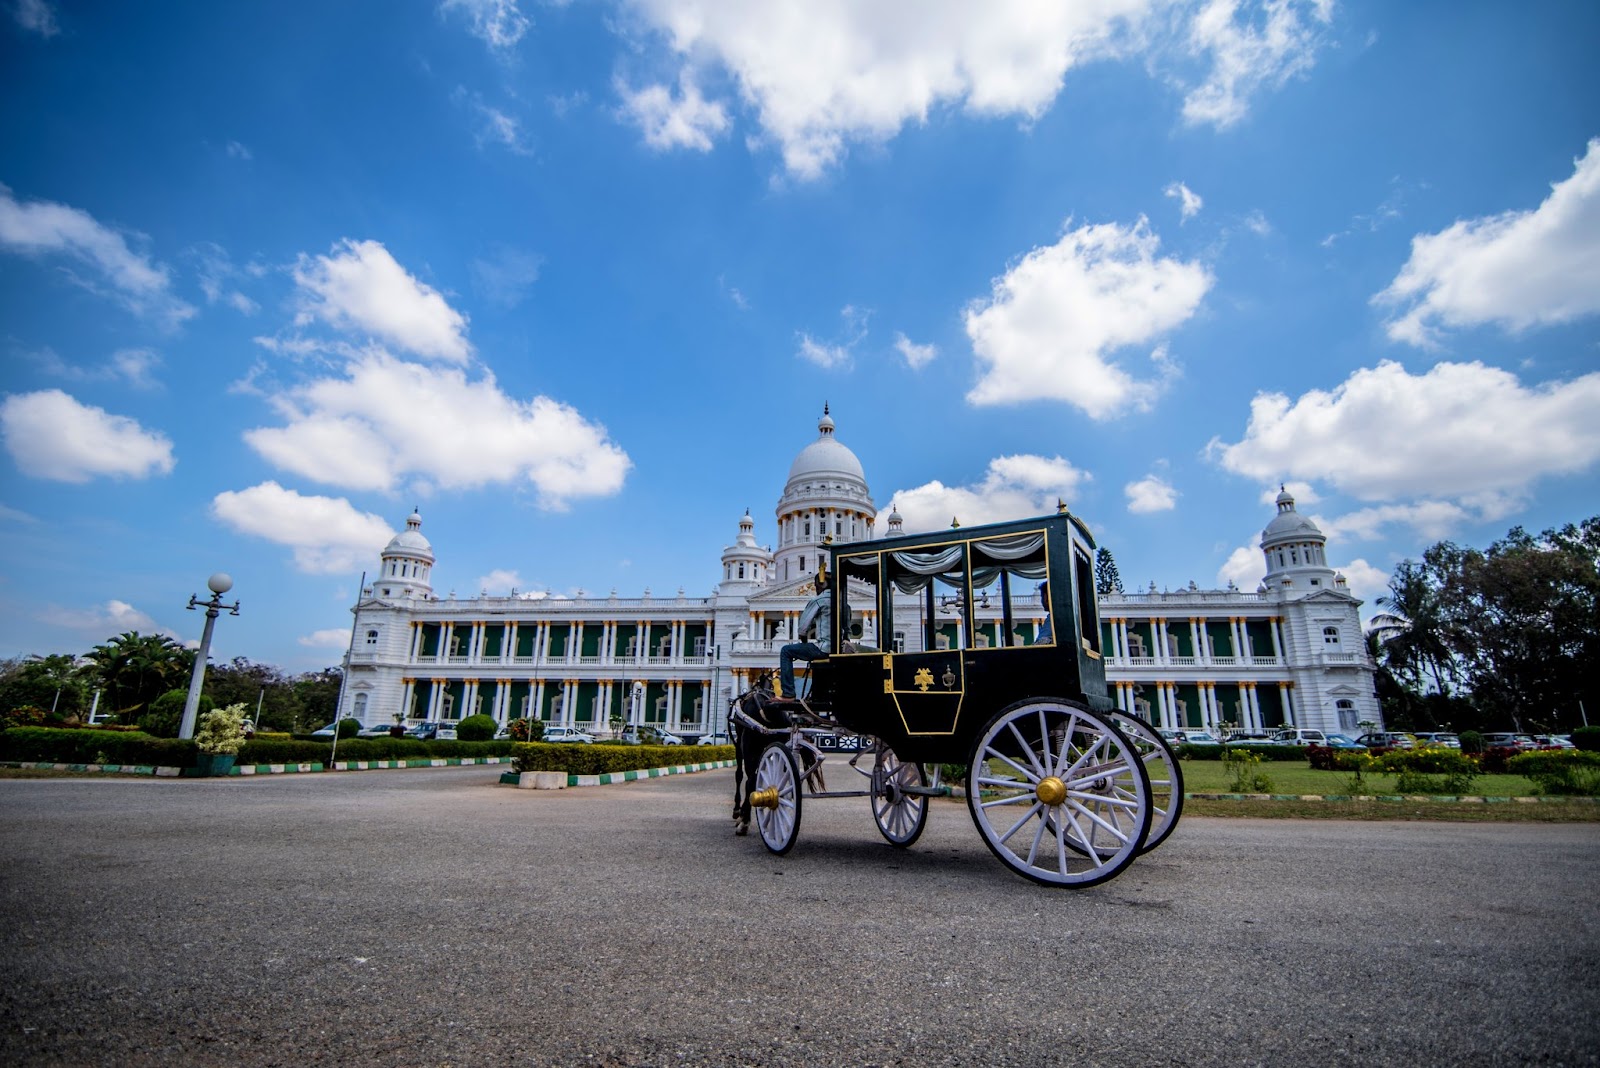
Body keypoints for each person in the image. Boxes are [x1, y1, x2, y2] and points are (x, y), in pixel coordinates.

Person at [779, 568, 832, 699]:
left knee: (786, 651)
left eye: (816, 586)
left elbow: (802, 629)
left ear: (822, 584)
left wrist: (803, 643)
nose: (816, 589)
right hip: (839, 651)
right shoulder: (843, 603)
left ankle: (788, 693)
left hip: (823, 649)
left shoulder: (819, 600)